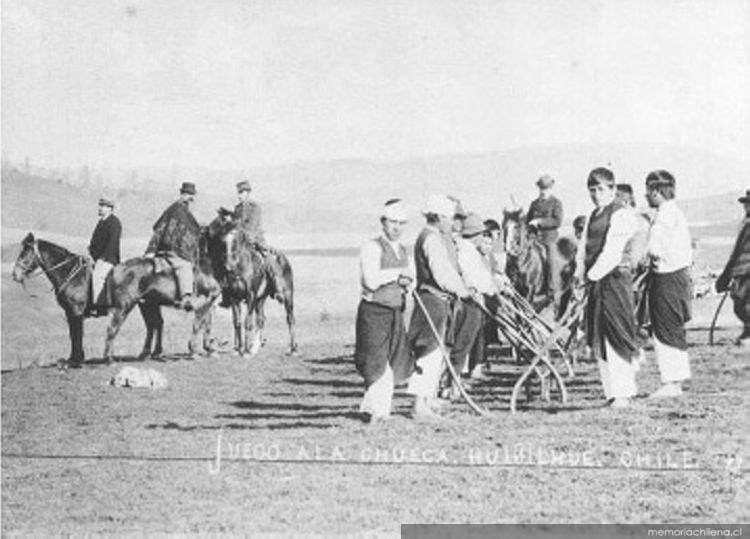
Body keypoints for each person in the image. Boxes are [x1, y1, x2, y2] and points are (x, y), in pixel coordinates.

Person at [575, 167, 640, 408]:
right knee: (599, 335)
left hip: (613, 281)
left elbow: (612, 252)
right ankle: (612, 393)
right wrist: (579, 274)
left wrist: (592, 275)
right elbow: (583, 248)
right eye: (592, 190)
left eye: (601, 189)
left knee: (615, 333)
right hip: (595, 282)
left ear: (612, 189)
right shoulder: (593, 215)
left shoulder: (622, 215)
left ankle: (623, 393)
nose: (596, 194)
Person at [406, 194, 470, 418]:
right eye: (449, 217)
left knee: (437, 353)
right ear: (439, 216)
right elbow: (442, 273)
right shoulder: (431, 239)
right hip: (432, 301)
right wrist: (462, 290)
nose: (452, 222)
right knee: (429, 353)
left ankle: (428, 399)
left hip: (438, 300)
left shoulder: (433, 237)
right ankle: (419, 405)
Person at [354, 199, 414, 422]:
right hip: (374, 312)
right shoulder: (372, 246)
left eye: (401, 223)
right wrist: (398, 275)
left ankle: (378, 412)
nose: (397, 227)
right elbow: (370, 280)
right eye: (392, 222)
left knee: (391, 363)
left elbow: (410, 278)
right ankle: (375, 411)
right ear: (383, 222)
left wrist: (409, 282)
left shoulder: (403, 250)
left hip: (395, 313)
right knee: (375, 362)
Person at [645, 170, 693, 398]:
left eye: (648, 191)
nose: (646, 195)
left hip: (667, 276)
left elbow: (654, 248)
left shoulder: (665, 215)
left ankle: (671, 382)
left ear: (655, 191)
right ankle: (675, 379)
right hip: (676, 276)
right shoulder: (674, 212)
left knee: (665, 328)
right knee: (672, 327)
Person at [451, 213, 497, 387]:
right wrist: (492, 288)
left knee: (464, 344)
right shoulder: (466, 251)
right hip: (470, 303)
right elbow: (476, 279)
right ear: (476, 235)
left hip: (474, 301)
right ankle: (452, 384)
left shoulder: (468, 250)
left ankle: (453, 382)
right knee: (462, 344)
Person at [146, 182, 201, 311]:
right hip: (172, 250)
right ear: (182, 194)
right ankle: (185, 298)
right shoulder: (178, 210)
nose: (189, 197)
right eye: (187, 194)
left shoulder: (180, 209)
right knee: (185, 266)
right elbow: (163, 230)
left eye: (191, 195)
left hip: (167, 248)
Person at [232, 180, 285, 301]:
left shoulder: (255, 207)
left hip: (255, 240)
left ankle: (277, 289)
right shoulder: (237, 209)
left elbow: (252, 226)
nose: (239, 195)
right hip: (240, 242)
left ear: (248, 193)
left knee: (267, 258)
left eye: (242, 192)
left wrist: (244, 235)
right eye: (238, 192)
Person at [715, 190, 750, 345]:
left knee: (743, 303)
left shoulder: (747, 225)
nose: (746, 207)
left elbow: (737, 250)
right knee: (739, 303)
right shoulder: (746, 223)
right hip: (741, 269)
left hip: (746, 269)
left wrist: (725, 274)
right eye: (746, 204)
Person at [527, 174, 564, 310]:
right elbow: (528, 220)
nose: (543, 191)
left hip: (549, 239)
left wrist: (540, 222)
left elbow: (557, 221)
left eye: (546, 188)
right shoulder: (534, 204)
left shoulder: (556, 203)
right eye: (541, 188)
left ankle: (552, 292)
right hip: (534, 239)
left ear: (551, 188)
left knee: (551, 261)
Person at [87, 197, 121, 316]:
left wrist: (101, 259)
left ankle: (97, 307)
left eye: (104, 206)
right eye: (100, 205)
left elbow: (112, 243)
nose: (100, 208)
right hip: (97, 258)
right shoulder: (101, 221)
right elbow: (94, 242)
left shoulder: (114, 222)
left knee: (98, 276)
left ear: (110, 209)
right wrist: (91, 255)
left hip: (109, 258)